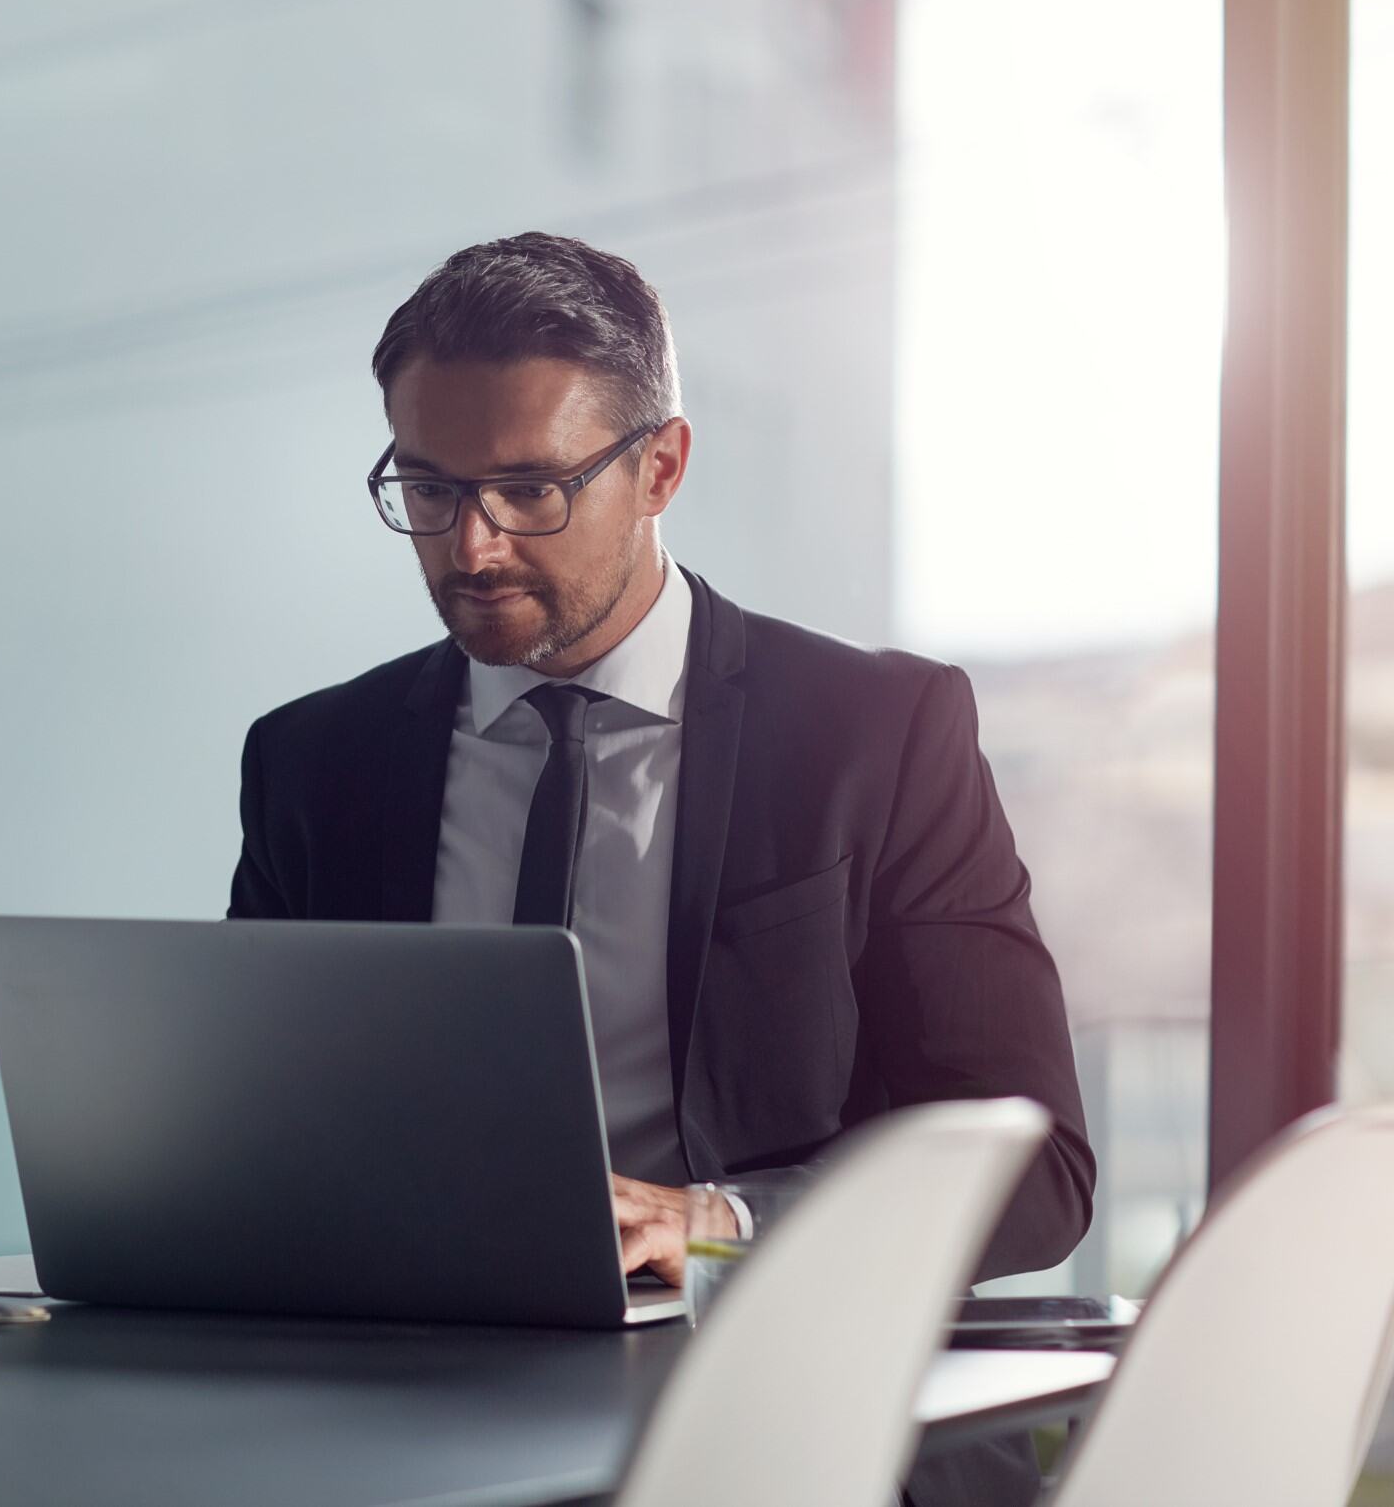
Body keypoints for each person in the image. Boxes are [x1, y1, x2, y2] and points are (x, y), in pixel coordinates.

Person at [227, 232, 1094, 1507]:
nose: (468, 548)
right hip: (412, 1421)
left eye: (530, 489)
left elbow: (1038, 1171)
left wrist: (707, 1220)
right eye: (427, 486)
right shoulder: (313, 759)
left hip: (811, 1427)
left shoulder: (875, 734)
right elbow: (251, 1141)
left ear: (661, 468)